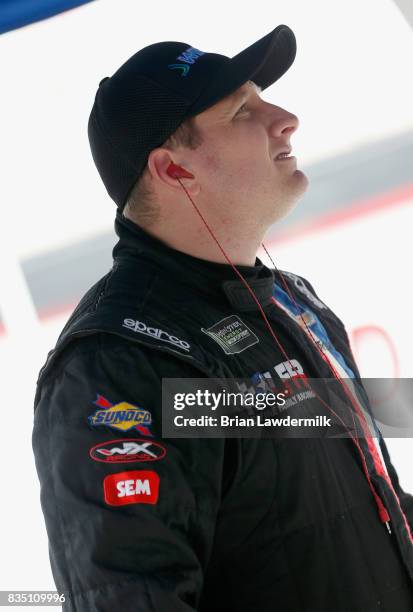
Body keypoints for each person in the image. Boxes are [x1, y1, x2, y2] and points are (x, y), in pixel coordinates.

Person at [32, 25, 413, 611]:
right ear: (175, 169)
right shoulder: (121, 360)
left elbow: (349, 509)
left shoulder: (289, 300)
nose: (285, 118)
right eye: (243, 111)